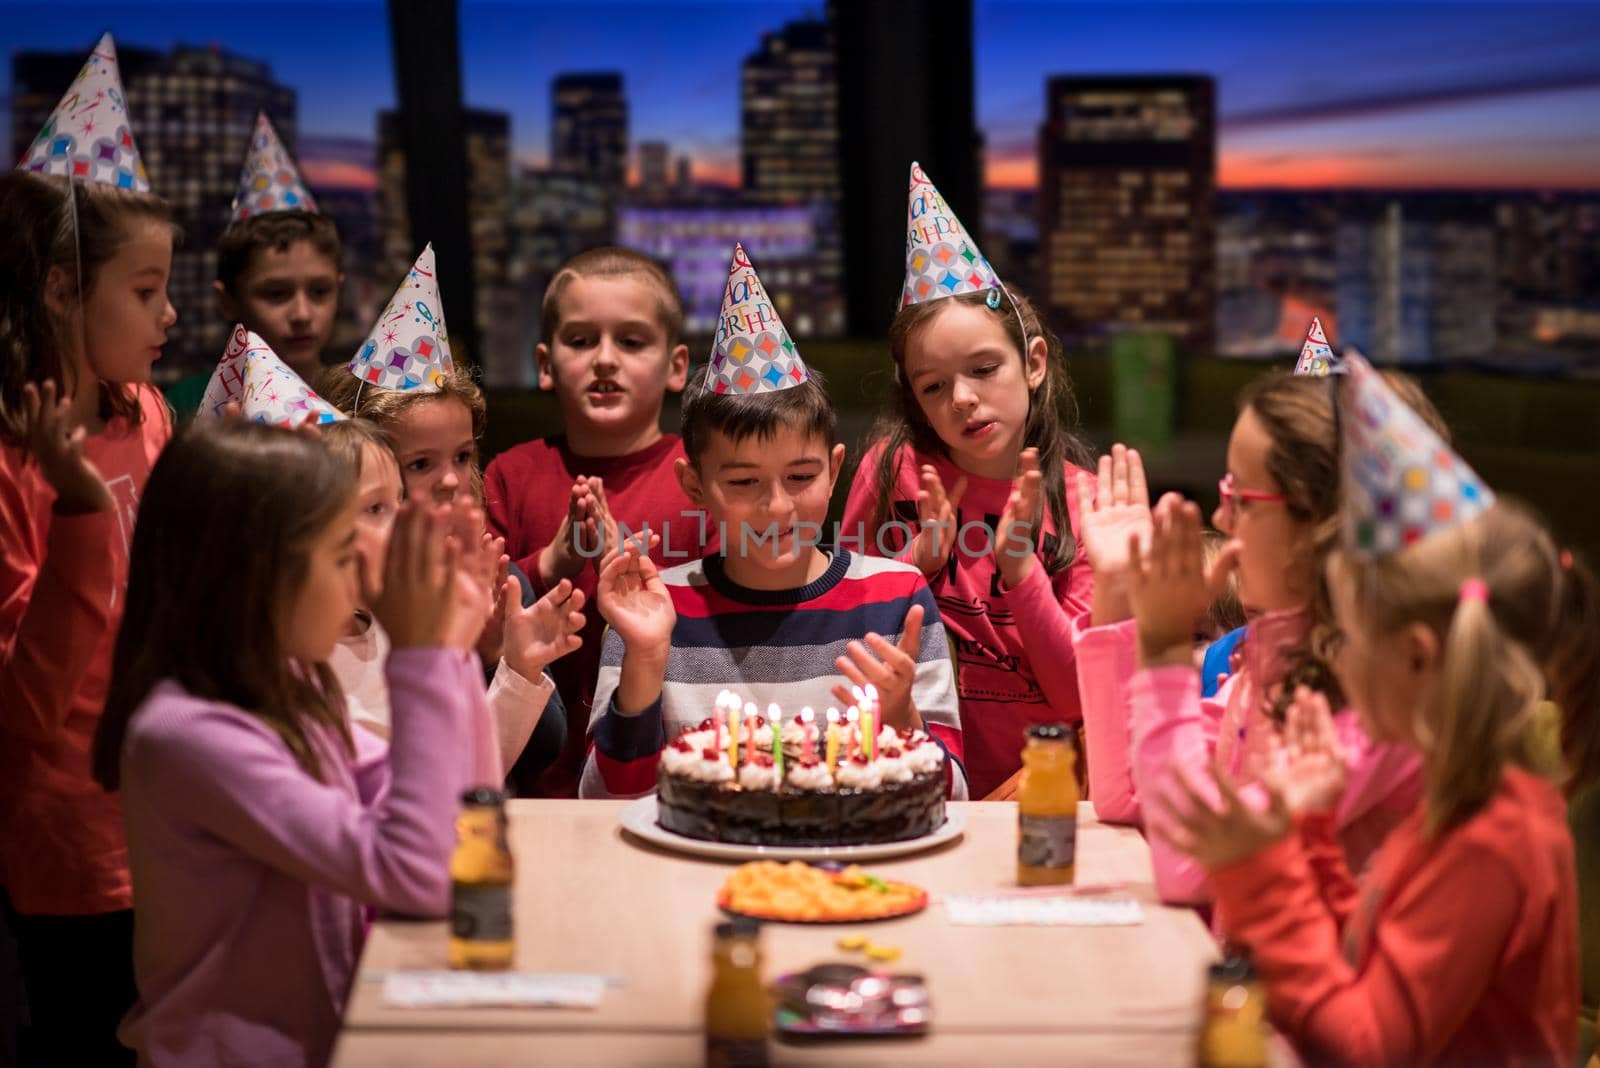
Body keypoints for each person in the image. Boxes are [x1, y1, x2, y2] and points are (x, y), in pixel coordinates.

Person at [1160, 354, 1591, 1065]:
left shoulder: (1492, 837)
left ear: (1417, 657)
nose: (1335, 658)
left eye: (1348, 639)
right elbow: (1366, 963)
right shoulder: (1462, 801)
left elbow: (1366, 1044)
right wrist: (1316, 839)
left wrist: (1262, 871)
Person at [94, 420, 498, 1066]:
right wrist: (420, 656)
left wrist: (452, 650)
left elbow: (464, 822)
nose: (361, 577)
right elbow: (414, 873)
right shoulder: (188, 735)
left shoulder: (292, 680)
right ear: (260, 572)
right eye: (342, 555)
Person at [580, 246, 966, 799]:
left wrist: (903, 719)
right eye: (743, 483)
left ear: (834, 471)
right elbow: (602, 801)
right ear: (695, 487)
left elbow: (956, 797)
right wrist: (645, 660)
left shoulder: (895, 599)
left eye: (801, 477)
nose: (778, 508)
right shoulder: (653, 609)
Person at [0, 35, 176, 1064]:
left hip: (175, 802)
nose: (167, 316)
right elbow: (23, 708)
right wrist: (73, 514)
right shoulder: (16, 464)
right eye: (144, 291)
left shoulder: (146, 412)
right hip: (75, 847)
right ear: (64, 291)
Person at [841, 163, 1094, 799]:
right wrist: (911, 568)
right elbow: (841, 646)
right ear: (913, 398)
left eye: (984, 369)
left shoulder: (1084, 501)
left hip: (1040, 790)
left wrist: (1019, 569)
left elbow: (1078, 694)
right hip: (907, 780)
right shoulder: (890, 471)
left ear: (1032, 363)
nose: (962, 399)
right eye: (935, 385)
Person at [483, 246, 712, 796]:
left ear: (677, 366)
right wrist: (549, 563)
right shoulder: (511, 475)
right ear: (544, 364)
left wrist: (631, 571)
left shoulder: (704, 483)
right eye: (581, 341)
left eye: (631, 342)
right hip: (532, 777)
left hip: (676, 770)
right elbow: (474, 627)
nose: (605, 359)